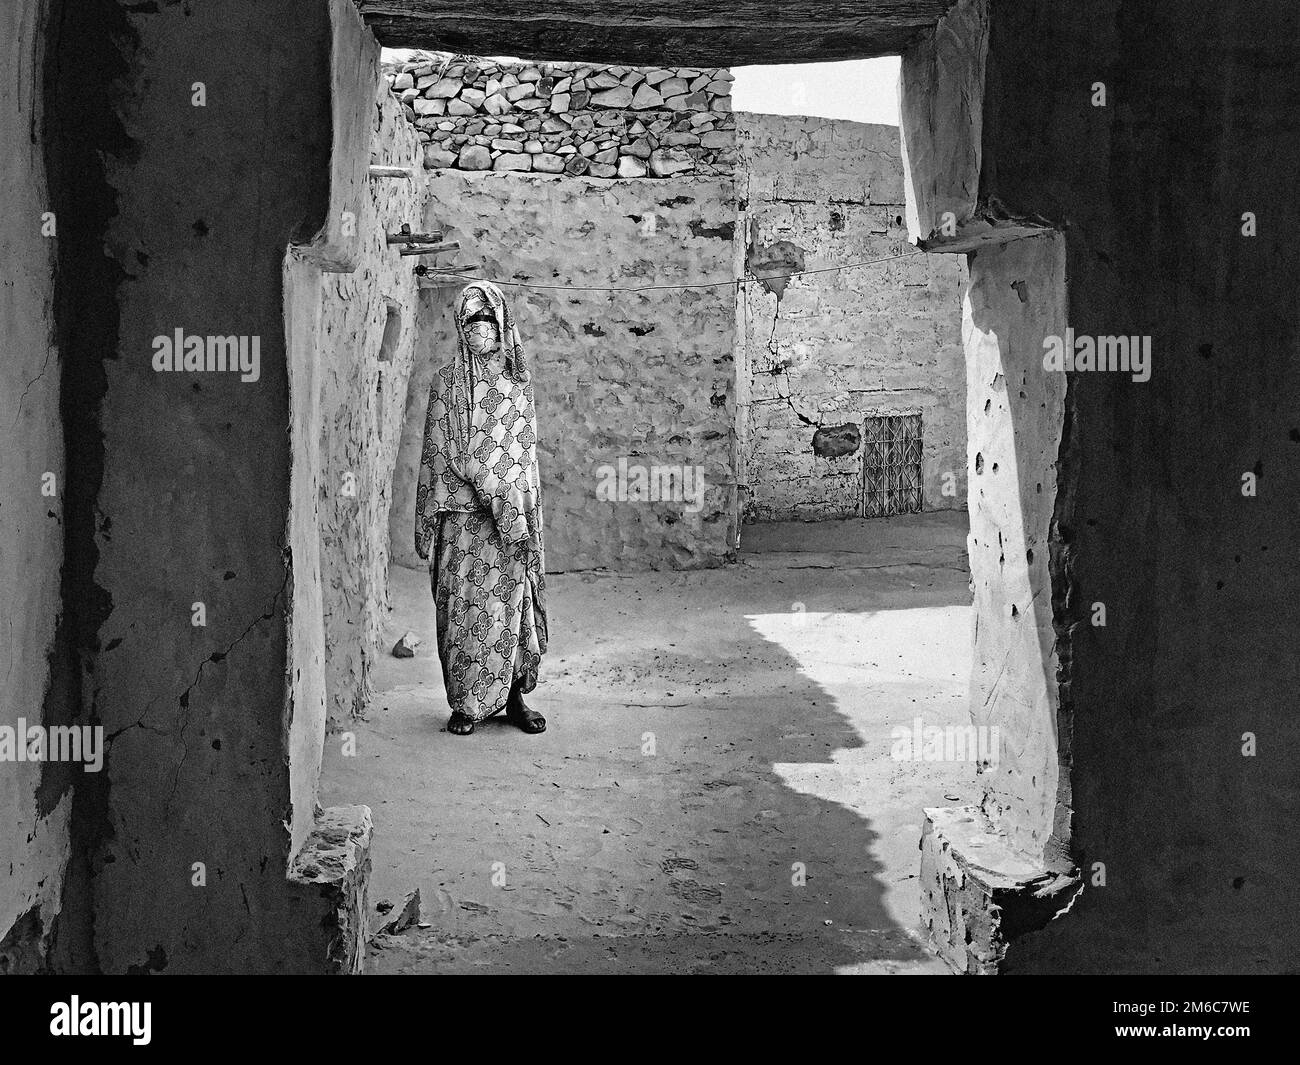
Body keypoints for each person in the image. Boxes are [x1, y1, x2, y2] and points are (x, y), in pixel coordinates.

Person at [414, 281, 548, 736]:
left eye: (489, 320)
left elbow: (523, 458)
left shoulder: (516, 387)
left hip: (507, 525)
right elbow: (441, 453)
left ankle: (514, 699)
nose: (482, 329)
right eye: (473, 321)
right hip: (463, 520)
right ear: (460, 326)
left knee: (511, 610)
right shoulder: (445, 384)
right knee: (463, 611)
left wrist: (514, 507)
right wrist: (487, 489)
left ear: (503, 324)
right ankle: (465, 704)